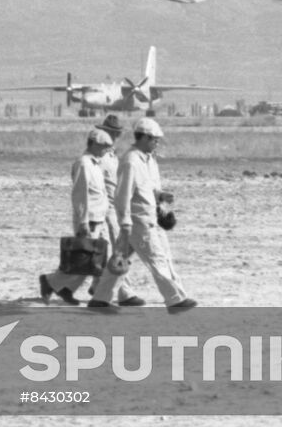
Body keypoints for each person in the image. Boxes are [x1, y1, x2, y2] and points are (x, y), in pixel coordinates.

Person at [91, 117, 198, 312]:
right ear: (145, 138)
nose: (157, 143)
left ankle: (100, 298)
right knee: (157, 259)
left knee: (119, 260)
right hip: (137, 221)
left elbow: (146, 188)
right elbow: (122, 195)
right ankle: (174, 300)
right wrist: (124, 223)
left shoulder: (147, 159)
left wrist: (160, 196)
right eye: (155, 139)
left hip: (148, 218)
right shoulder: (131, 161)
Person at [38, 129, 120, 310]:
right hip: (89, 220)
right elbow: (80, 195)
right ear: (93, 144)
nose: (106, 150)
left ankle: (61, 286)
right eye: (103, 146)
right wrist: (83, 222)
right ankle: (53, 282)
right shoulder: (84, 164)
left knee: (97, 260)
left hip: (100, 218)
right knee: (87, 261)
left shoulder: (95, 164)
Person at [88, 113, 145, 307]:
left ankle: (99, 285)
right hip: (105, 209)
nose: (114, 136)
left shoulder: (112, 155)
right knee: (117, 252)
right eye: (111, 132)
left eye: (116, 133)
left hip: (115, 208)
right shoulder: (99, 156)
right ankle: (124, 293)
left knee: (112, 251)